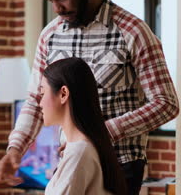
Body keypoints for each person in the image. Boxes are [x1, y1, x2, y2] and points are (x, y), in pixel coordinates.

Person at [0, 0, 179, 195]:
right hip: (71, 161)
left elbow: (166, 103)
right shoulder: (49, 36)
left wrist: (103, 133)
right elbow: (35, 100)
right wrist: (15, 148)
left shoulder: (133, 31)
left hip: (121, 164)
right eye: (51, 0)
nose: (57, 8)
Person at [41, 57, 127, 194]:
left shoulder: (79, 152)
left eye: (42, 93)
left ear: (63, 94)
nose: (40, 103)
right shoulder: (79, 148)